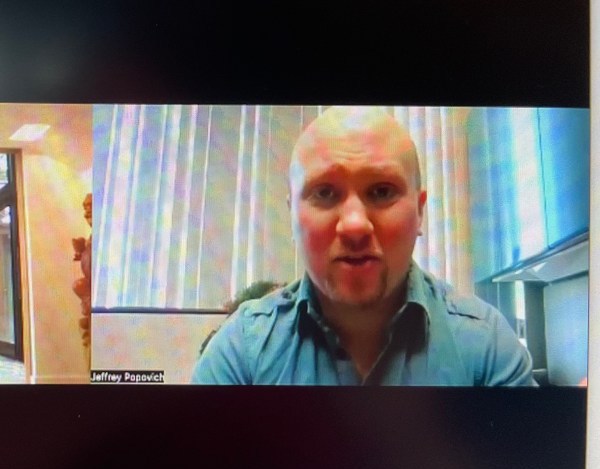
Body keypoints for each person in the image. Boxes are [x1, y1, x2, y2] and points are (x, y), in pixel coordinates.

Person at [192, 107, 535, 386]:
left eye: (382, 191)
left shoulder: (487, 347)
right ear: (293, 216)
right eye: (325, 192)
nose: (355, 225)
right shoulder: (241, 352)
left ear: (419, 212)